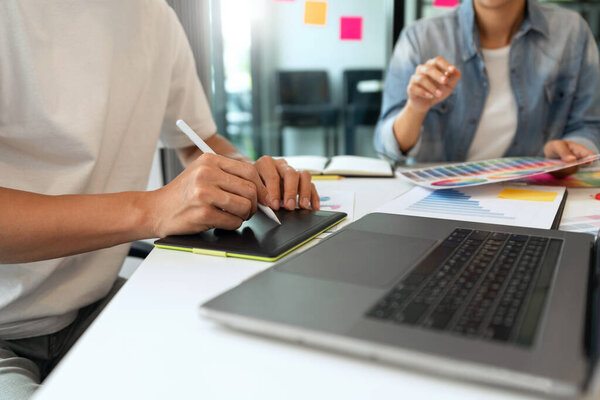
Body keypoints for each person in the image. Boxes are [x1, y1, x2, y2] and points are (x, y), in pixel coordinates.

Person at [0, 1, 319, 397]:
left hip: (93, 305)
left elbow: (197, 142)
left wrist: (246, 173)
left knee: (263, 370)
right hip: (6, 327)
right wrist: (153, 210)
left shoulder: (154, 16)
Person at [374, 0, 600, 174]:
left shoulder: (572, 31)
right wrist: (416, 108)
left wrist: (569, 151)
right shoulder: (420, 37)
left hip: (532, 196)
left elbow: (589, 126)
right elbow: (387, 148)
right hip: (438, 200)